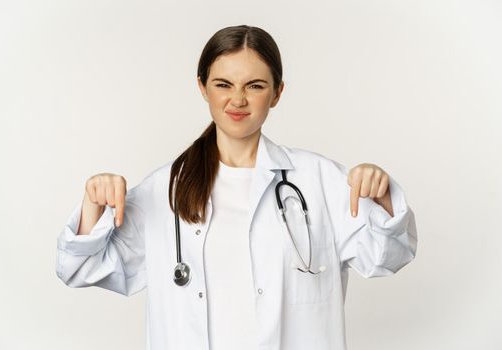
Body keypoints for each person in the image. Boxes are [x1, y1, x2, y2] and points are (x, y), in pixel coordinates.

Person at [56, 24, 418, 350]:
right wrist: (93, 207)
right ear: (202, 87)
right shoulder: (163, 190)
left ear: (276, 93)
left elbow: (388, 257)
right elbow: (80, 269)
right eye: (223, 84)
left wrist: (382, 197)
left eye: (255, 86)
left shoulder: (320, 180)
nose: (238, 99)